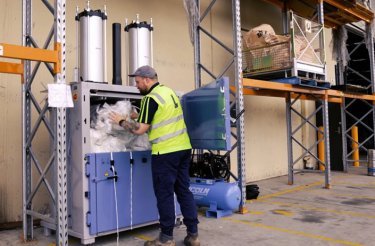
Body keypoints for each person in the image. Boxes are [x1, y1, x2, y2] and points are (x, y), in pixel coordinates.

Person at [109, 65, 200, 246]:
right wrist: (137, 115)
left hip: (165, 153)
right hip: (183, 148)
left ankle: (166, 238)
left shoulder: (150, 99)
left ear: (147, 79)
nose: (136, 85)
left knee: (164, 194)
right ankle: (193, 235)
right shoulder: (168, 92)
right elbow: (159, 116)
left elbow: (140, 130)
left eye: (137, 81)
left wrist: (120, 120)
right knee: (183, 191)